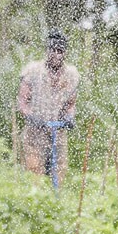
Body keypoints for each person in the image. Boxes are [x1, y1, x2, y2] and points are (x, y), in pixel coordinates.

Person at [17, 30, 80, 185]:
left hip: (58, 132)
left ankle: (56, 196)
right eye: (53, 50)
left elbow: (71, 104)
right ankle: (35, 195)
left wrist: (69, 117)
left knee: (59, 171)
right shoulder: (33, 71)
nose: (56, 55)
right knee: (34, 172)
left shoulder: (71, 75)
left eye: (60, 51)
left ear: (64, 53)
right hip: (35, 132)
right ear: (47, 51)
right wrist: (31, 117)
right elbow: (22, 102)